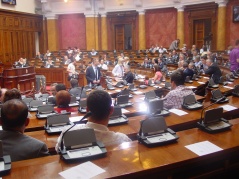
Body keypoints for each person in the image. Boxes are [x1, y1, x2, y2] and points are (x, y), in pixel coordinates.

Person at [55, 90, 131, 152]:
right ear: (111, 110)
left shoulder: (67, 134)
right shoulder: (123, 140)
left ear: (87, 110)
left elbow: (58, 150)